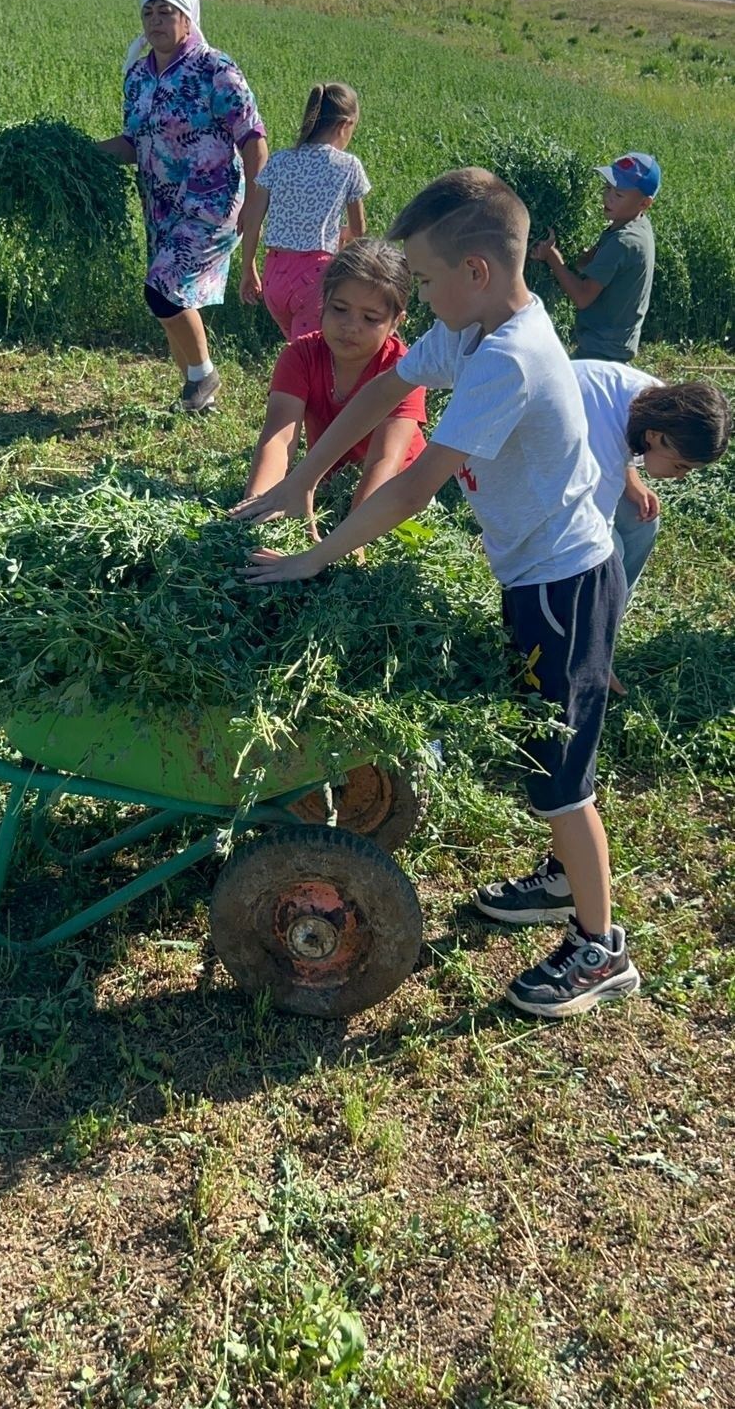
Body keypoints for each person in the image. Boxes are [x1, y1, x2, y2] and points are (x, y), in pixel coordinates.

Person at [232, 168, 637, 1020]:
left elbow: (415, 485)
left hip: (563, 585)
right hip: (538, 574)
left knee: (562, 777)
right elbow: (383, 391)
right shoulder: (483, 327)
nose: (416, 294)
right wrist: (302, 476)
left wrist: (318, 559)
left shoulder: (511, 359)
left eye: (421, 280)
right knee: (544, 750)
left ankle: (601, 948)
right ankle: (566, 880)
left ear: (476, 272)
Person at [98, 0, 268, 413]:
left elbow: (253, 138)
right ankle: (198, 395)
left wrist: (255, 202)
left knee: (163, 290)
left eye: (166, 12)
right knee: (167, 299)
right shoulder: (137, 75)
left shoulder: (216, 70)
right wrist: (79, 154)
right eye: (148, 12)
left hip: (213, 207)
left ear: (187, 18)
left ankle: (203, 376)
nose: (156, 21)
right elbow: (133, 143)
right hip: (161, 207)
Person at [571, 362, 731, 695]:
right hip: (510, 466)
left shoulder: (663, 407)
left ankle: (604, 632)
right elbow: (590, 550)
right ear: (656, 437)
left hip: (577, 462)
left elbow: (623, 441)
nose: (682, 475)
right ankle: (582, 651)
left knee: (642, 521)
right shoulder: (607, 435)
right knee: (609, 553)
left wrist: (632, 480)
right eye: (680, 465)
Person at [243, 239, 427, 515]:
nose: (351, 327)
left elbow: (384, 460)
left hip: (396, 491)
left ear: (395, 323)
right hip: (327, 484)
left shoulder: (404, 368)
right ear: (323, 302)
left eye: (370, 318)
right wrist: (258, 504)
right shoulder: (300, 356)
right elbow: (279, 439)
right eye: (340, 309)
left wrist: (354, 538)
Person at [239, 82, 371, 342]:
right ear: (344, 124)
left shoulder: (279, 161)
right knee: (310, 355)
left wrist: (248, 269)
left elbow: (253, 220)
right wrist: (342, 234)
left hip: (274, 276)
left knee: (297, 350)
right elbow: (358, 230)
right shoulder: (348, 166)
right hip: (315, 278)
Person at [530, 151, 660, 365]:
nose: (608, 197)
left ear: (644, 203)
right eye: (607, 188)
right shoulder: (634, 224)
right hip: (610, 346)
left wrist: (552, 257)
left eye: (618, 194)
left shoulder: (623, 242)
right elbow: (586, 264)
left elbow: (582, 297)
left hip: (603, 353)